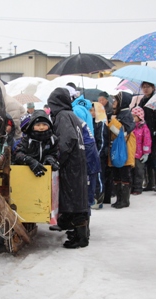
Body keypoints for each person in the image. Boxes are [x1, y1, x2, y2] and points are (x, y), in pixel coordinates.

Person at [47, 87, 89, 249]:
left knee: (74, 199)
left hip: (71, 165)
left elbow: (67, 139)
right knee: (77, 198)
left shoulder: (62, 116)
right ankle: (78, 232)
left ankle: (80, 237)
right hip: (77, 162)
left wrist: (57, 158)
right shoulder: (71, 115)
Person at [108, 91, 136, 209]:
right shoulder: (119, 113)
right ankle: (120, 199)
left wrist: (111, 121)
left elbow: (122, 132)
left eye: (116, 100)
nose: (113, 102)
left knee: (124, 174)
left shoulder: (126, 115)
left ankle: (124, 200)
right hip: (119, 148)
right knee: (117, 175)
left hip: (124, 149)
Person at [139, 81, 156, 195]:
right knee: (148, 160)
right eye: (143, 87)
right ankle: (149, 183)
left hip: (155, 136)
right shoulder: (142, 101)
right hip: (145, 134)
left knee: (155, 160)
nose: (145, 89)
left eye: (147, 87)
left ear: (153, 87)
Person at [14, 110, 59, 177]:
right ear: (32, 126)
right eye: (38, 125)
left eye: (44, 124)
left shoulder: (53, 139)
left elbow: (54, 153)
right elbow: (18, 154)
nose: (41, 127)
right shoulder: (26, 139)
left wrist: (50, 159)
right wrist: (31, 161)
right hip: (26, 173)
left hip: (45, 174)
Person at [90, 102, 109, 209]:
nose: (91, 112)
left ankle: (99, 199)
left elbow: (102, 141)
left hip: (99, 155)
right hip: (93, 155)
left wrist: (97, 154)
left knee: (99, 177)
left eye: (93, 110)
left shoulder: (101, 124)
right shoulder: (93, 122)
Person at [130, 106, 152, 195]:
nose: (133, 118)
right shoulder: (131, 126)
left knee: (138, 171)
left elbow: (147, 141)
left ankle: (138, 188)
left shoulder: (144, 128)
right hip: (131, 152)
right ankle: (131, 187)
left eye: (134, 116)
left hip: (139, 154)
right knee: (131, 171)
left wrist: (146, 153)